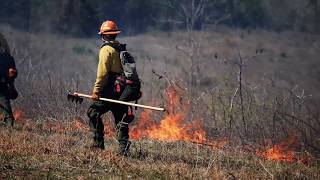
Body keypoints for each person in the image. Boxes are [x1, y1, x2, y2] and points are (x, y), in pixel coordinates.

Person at [87, 20, 132, 155]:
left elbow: (102, 73)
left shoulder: (106, 50)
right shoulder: (120, 48)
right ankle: (123, 150)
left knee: (93, 112)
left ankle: (98, 145)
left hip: (109, 90)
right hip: (123, 90)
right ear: (115, 35)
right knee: (121, 119)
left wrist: (96, 91)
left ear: (104, 36)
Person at [0, 33, 18, 127]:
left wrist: (12, 73)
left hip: (2, 87)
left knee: (8, 116)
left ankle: (9, 133)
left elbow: (13, 72)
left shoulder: (7, 58)